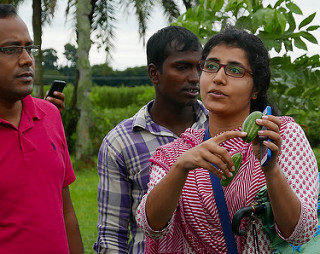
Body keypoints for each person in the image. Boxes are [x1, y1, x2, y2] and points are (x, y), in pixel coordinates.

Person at [136, 28, 319, 253]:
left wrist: (271, 170)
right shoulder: (178, 153)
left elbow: (301, 232)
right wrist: (181, 168)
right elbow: (150, 225)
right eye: (211, 66)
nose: (219, 78)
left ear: (256, 88)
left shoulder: (280, 136)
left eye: (235, 70)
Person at [94, 26, 209, 253]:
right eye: (182, 67)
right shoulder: (121, 142)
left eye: (200, 67)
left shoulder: (219, 127)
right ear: (154, 73)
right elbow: (111, 236)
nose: (195, 78)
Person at [0, 4, 84, 254]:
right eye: (11, 49)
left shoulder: (50, 115)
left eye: (29, 48)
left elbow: (65, 210)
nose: (27, 60)